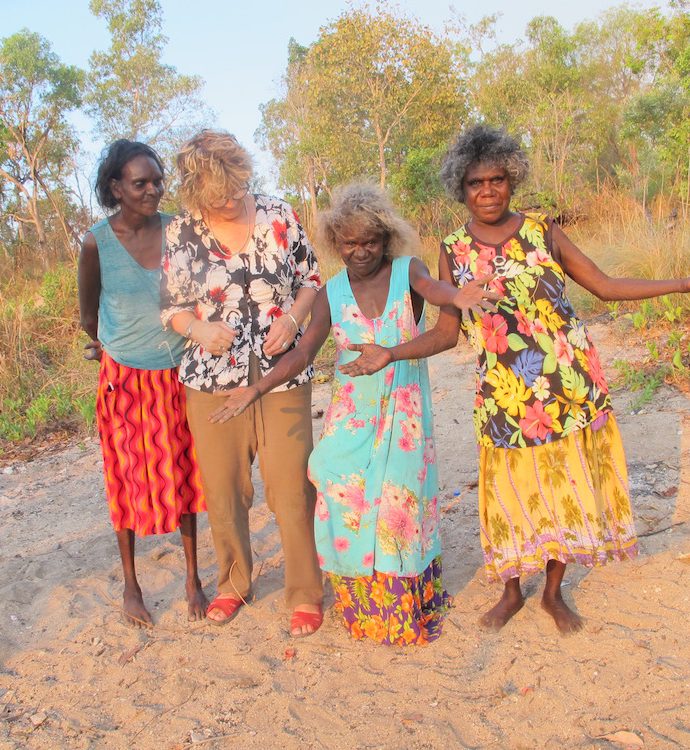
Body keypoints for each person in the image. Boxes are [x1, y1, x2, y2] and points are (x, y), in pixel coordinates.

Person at [345, 124, 690, 634]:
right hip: (504, 397)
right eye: (476, 182)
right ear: (459, 188)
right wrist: (390, 353)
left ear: (512, 180)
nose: (488, 190)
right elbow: (446, 333)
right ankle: (511, 591)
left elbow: (606, 285)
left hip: (567, 387)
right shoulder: (454, 250)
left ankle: (552, 592)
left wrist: (682, 281)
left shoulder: (541, 231)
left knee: (565, 488)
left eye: (497, 179)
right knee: (507, 494)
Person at [210, 183, 497, 644]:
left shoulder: (408, 271)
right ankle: (361, 603)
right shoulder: (331, 293)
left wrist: (453, 300)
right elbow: (303, 353)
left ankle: (403, 612)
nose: (360, 252)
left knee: (397, 508)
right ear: (335, 243)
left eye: (370, 242)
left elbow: (437, 298)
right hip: (352, 415)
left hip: (402, 413)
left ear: (386, 239)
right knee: (336, 484)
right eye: (349, 243)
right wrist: (257, 388)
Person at [160, 129, 324, 636]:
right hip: (211, 380)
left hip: (279, 378)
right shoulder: (182, 233)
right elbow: (171, 309)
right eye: (217, 198)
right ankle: (233, 583)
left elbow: (310, 280)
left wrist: (294, 321)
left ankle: (304, 591)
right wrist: (200, 327)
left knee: (290, 485)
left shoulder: (279, 213)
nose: (230, 202)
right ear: (195, 194)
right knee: (225, 489)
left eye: (235, 190)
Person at [78, 140, 207, 627]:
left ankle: (193, 578)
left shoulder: (180, 231)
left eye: (157, 181)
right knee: (125, 477)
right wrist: (109, 346)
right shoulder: (96, 243)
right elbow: (89, 315)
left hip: (180, 374)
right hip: (125, 379)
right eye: (140, 183)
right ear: (116, 188)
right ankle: (132, 586)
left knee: (186, 475)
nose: (152, 190)